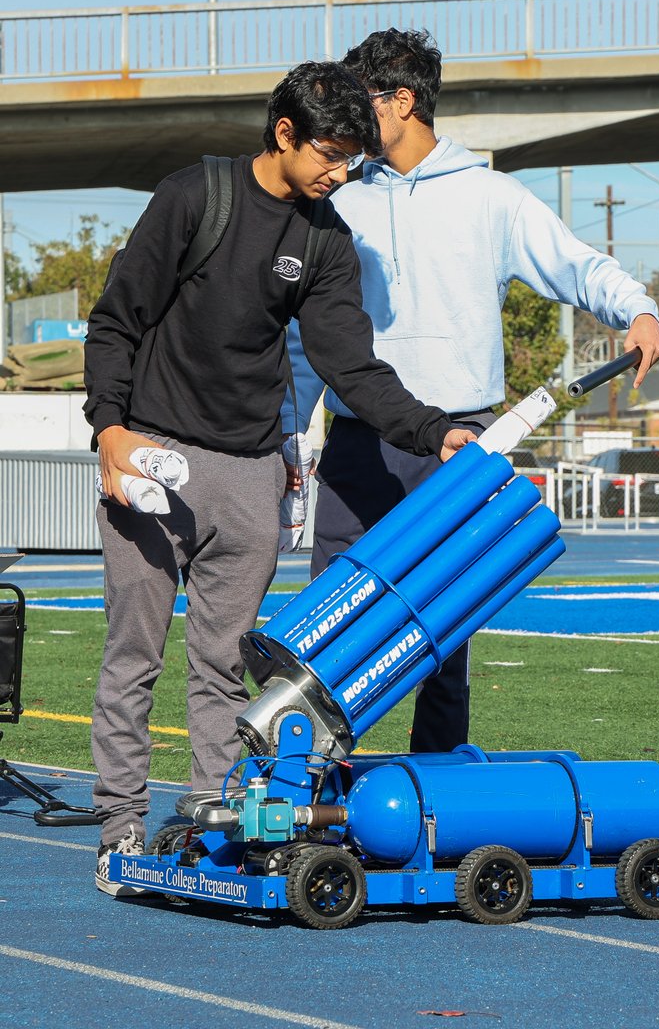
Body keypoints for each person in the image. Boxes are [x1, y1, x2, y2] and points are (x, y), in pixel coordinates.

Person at [83, 60, 473, 895]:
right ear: (285, 133)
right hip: (150, 455)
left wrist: (436, 432)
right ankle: (118, 829)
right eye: (331, 155)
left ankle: (210, 821)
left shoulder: (327, 239)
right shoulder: (196, 196)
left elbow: (353, 367)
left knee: (228, 664)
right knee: (133, 656)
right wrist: (110, 433)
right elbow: (116, 320)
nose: (340, 175)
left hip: (251, 469)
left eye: (355, 162)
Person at [286, 29, 659, 754]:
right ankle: (313, 800)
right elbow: (306, 339)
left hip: (461, 446)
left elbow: (577, 265)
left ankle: (434, 799)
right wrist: (283, 432)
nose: (343, 117)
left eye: (359, 98)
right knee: (327, 631)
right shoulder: (339, 201)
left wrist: (639, 308)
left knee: (442, 644)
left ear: (401, 101)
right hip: (359, 446)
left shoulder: (491, 196)